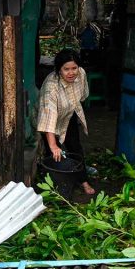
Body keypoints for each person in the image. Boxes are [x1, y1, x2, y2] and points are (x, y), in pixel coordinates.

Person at [37, 49, 96, 198]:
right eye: (66, 69)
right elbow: (48, 117)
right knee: (54, 154)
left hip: (68, 115)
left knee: (75, 146)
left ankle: (83, 181)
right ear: (58, 70)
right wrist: (53, 145)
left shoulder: (81, 73)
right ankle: (58, 187)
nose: (71, 73)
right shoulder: (51, 87)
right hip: (50, 120)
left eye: (74, 68)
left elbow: (82, 95)